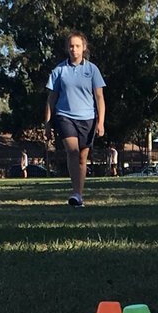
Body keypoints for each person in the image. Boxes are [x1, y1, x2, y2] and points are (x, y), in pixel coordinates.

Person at [44, 30, 107, 207]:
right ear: (67, 48)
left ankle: (79, 194)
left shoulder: (92, 70)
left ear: (83, 47)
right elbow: (51, 99)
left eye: (77, 46)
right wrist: (48, 123)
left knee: (82, 157)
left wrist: (100, 122)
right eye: (71, 46)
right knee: (72, 151)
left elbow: (100, 97)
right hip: (65, 116)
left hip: (88, 118)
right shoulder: (59, 71)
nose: (74, 49)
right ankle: (75, 193)